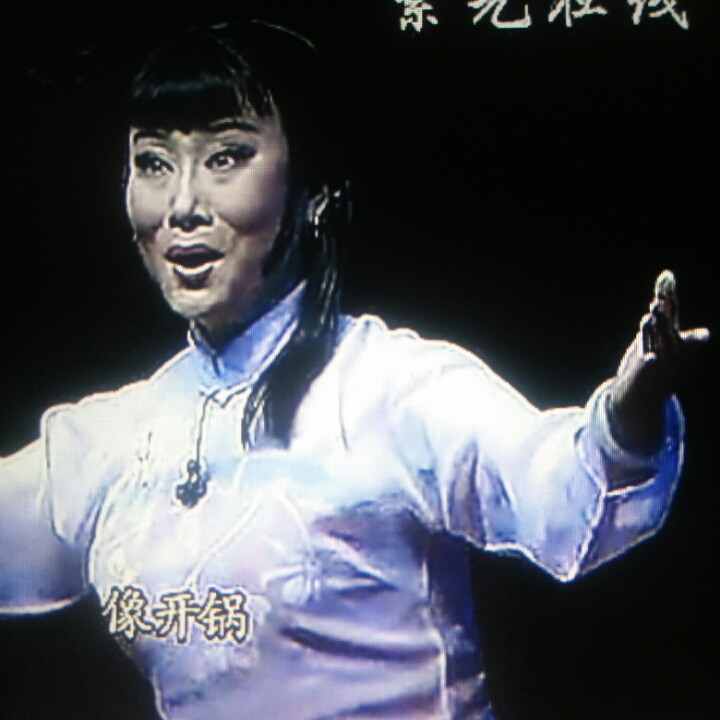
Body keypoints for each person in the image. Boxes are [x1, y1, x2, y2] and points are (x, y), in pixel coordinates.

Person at [0, 21, 709, 720]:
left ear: (312, 188)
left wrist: (630, 411)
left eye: (226, 158)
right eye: (154, 163)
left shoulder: (392, 388)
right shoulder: (110, 441)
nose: (183, 206)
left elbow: (562, 488)